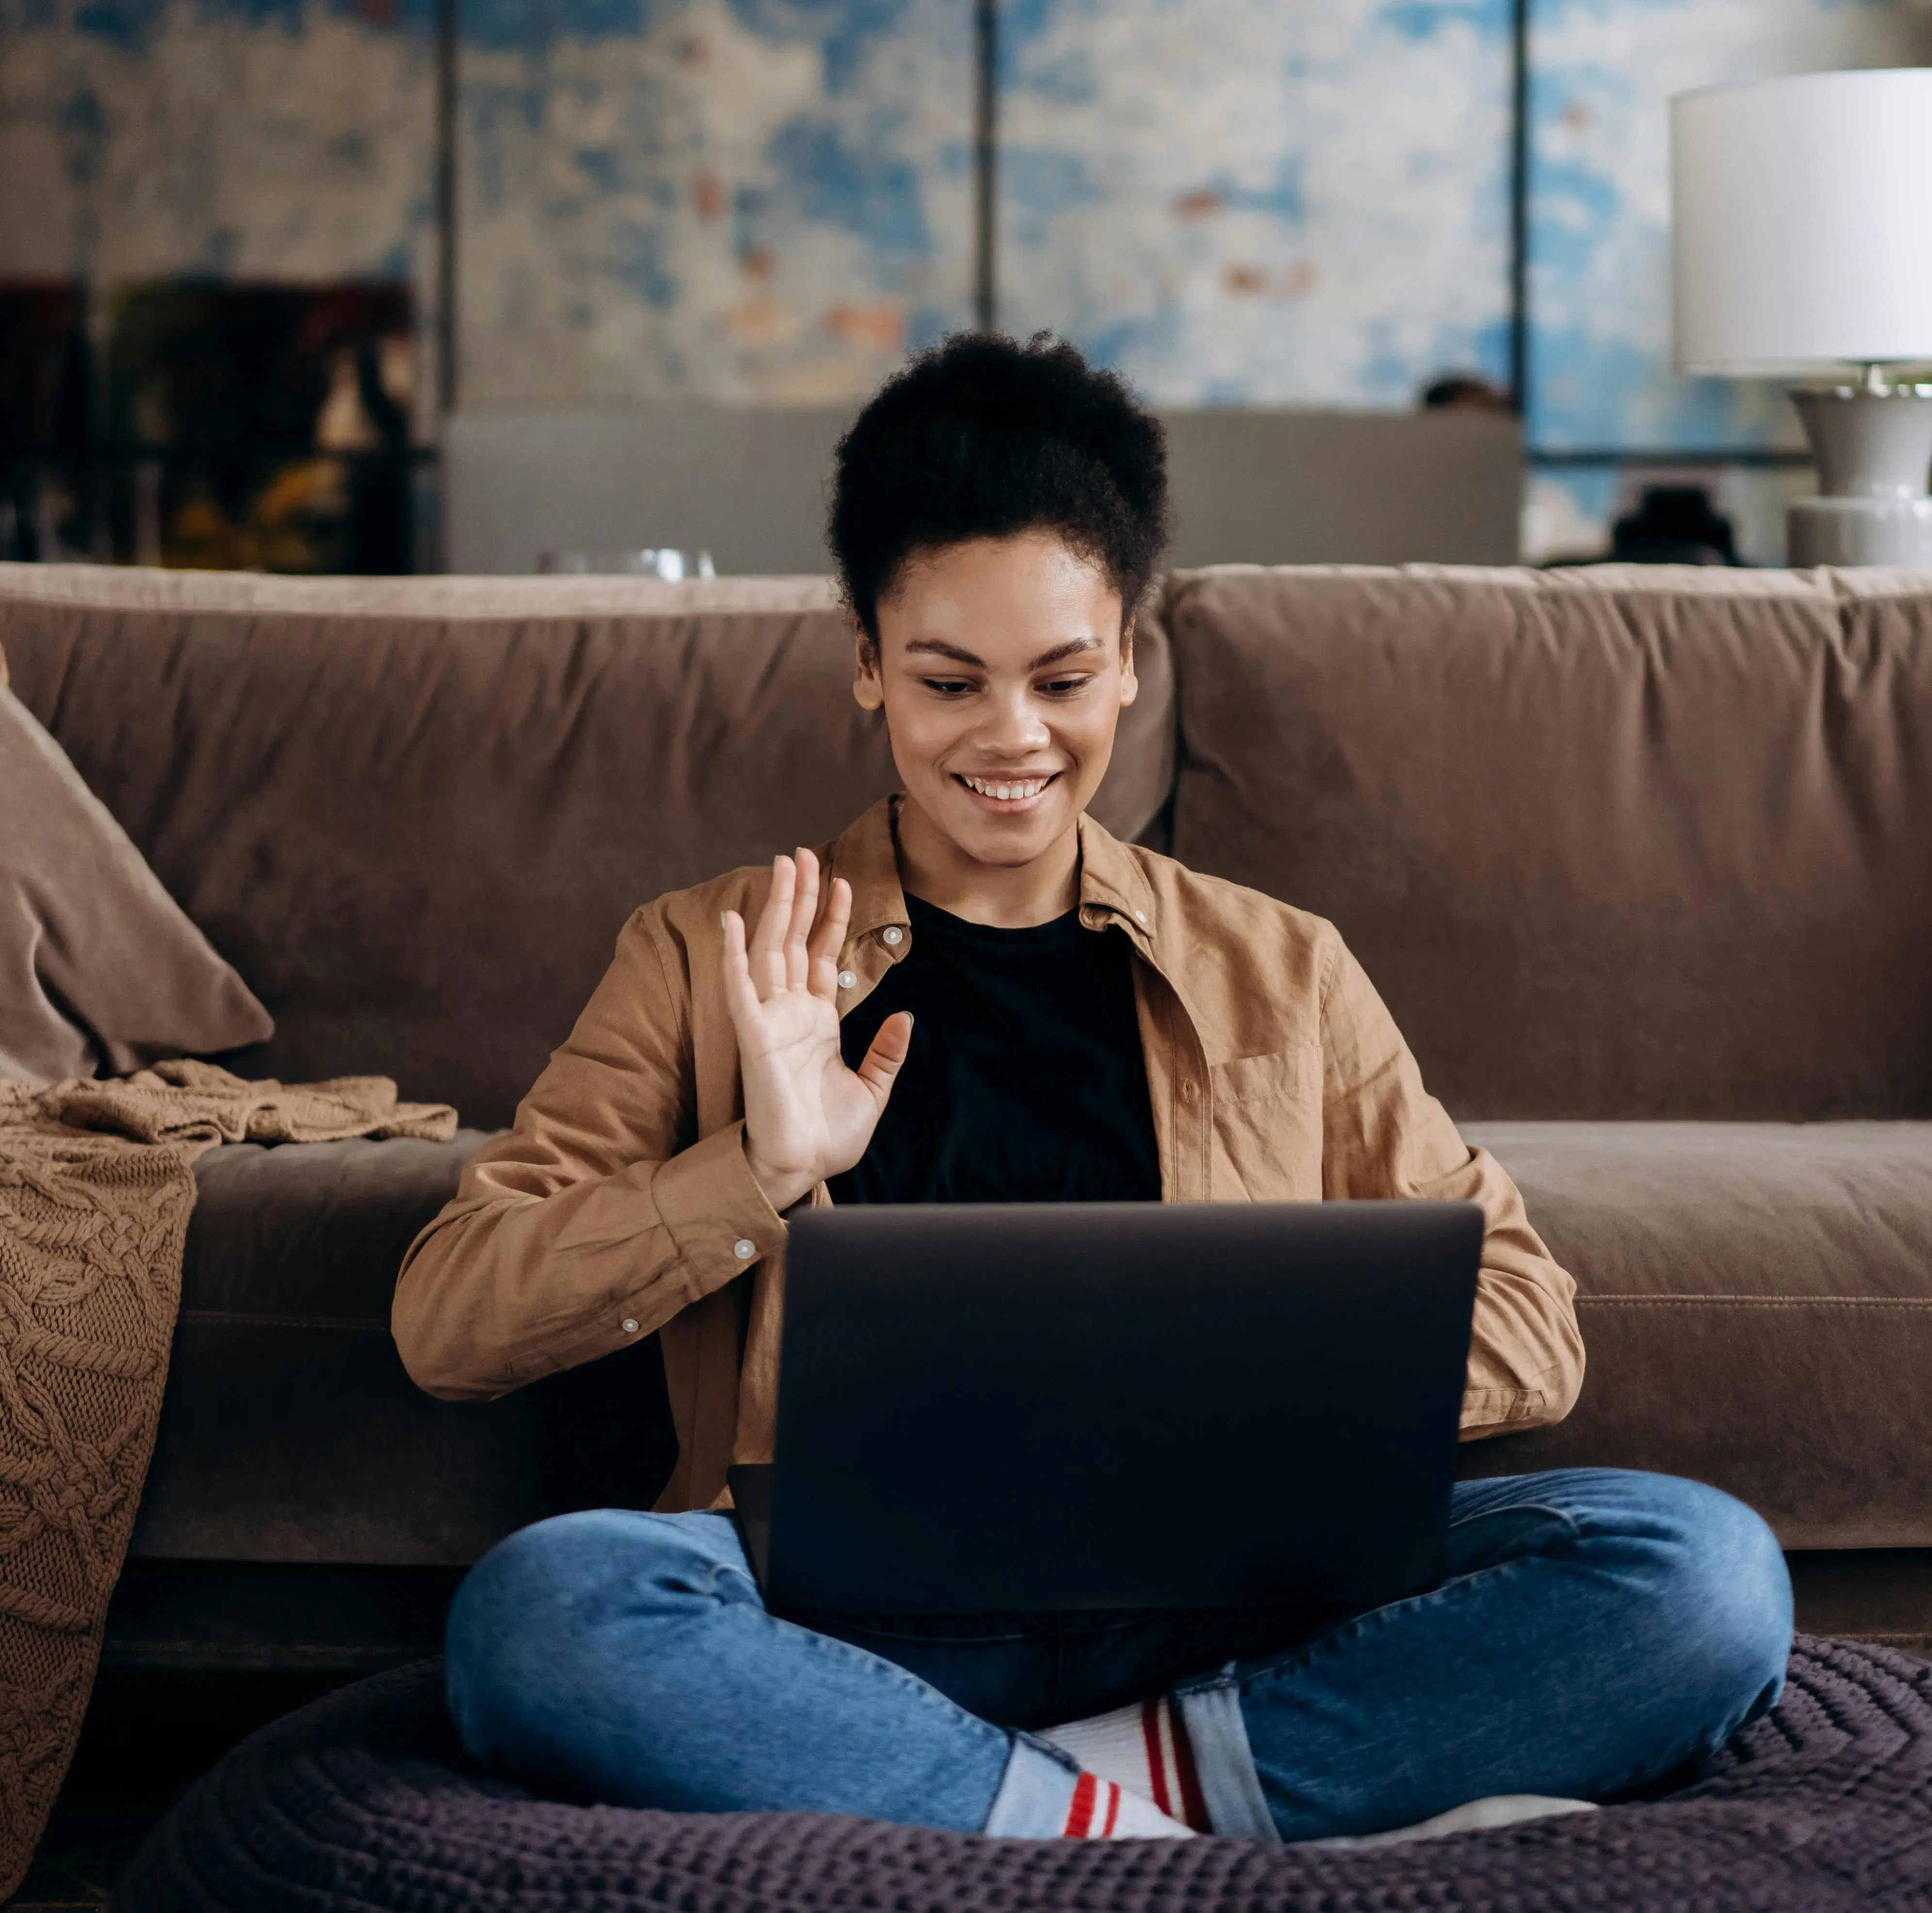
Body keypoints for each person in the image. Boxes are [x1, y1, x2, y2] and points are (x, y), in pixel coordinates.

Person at [393, 333, 1793, 1845]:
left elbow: (1529, 1318)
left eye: (1064, 677)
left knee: (1701, 1570)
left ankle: (1022, 1812)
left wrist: (1215, 1407)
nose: (1013, 737)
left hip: (1224, 1611)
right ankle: (1173, 1814)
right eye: (948, 680)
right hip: (838, 1621)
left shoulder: (1281, 964)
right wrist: (754, 1163)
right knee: (545, 1611)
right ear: (866, 661)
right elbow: (450, 1317)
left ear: (1130, 654)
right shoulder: (706, 951)